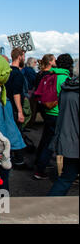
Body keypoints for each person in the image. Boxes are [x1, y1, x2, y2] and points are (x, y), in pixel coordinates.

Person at [34, 53, 74, 180]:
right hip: (58, 113)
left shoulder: (51, 74)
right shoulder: (64, 78)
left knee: (46, 139)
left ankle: (38, 164)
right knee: (53, 143)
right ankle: (42, 169)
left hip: (49, 111)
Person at [47, 61, 79, 195]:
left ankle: (48, 208)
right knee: (67, 177)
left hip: (68, 139)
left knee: (66, 177)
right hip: (74, 140)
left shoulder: (67, 88)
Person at [4, 47, 27, 168]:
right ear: (19, 57)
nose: (24, 59)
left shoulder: (7, 71)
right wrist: (20, 111)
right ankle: (18, 161)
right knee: (16, 133)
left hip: (5, 106)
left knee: (9, 132)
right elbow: (16, 93)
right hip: (13, 107)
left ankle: (11, 158)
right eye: (23, 56)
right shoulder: (17, 74)